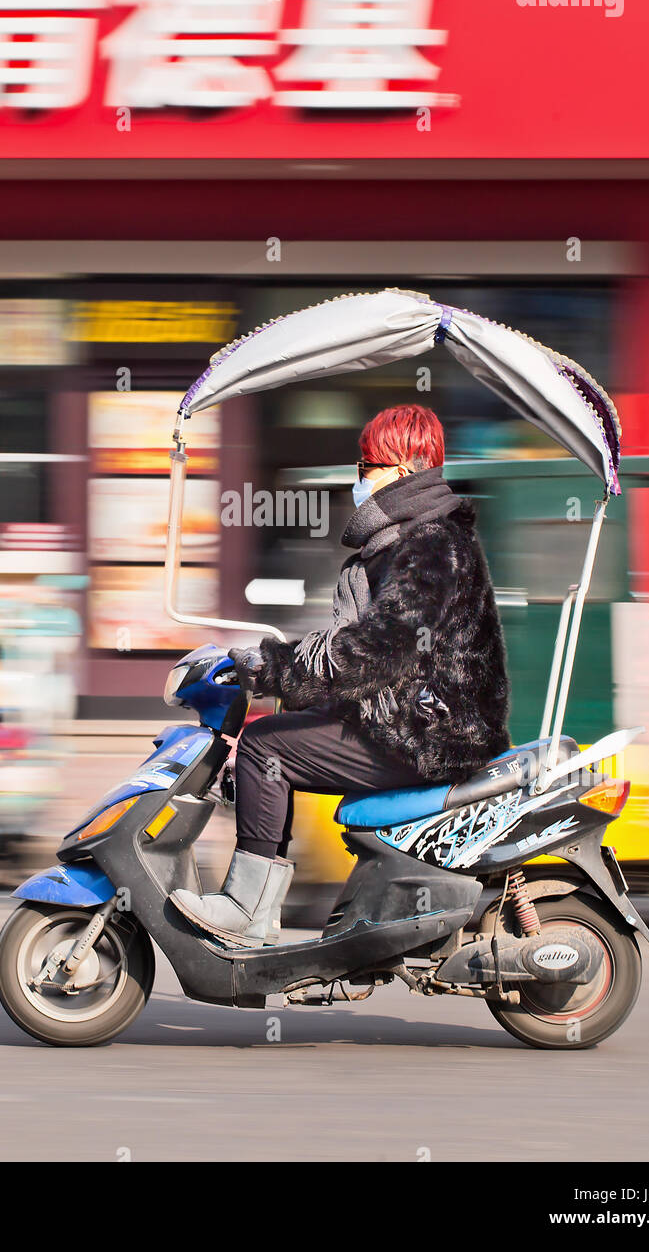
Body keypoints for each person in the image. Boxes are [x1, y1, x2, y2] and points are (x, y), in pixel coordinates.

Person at [171, 404, 511, 946]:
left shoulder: (430, 545)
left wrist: (275, 667)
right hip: (413, 719)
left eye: (366, 466)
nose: (359, 479)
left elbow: (380, 650)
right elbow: (365, 657)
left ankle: (246, 909)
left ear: (402, 471)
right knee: (279, 737)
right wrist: (282, 677)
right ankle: (260, 910)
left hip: (431, 735)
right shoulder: (399, 545)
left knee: (264, 748)